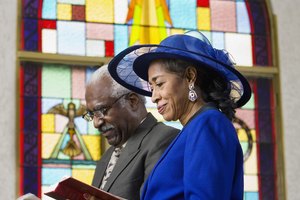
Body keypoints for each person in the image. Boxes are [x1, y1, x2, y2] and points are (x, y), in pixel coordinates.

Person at [108, 31, 252, 199]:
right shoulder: (193, 129)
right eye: (151, 87)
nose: (154, 97)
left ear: (190, 77)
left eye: (160, 84)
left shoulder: (209, 123)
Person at [83, 65, 179, 200]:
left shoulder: (165, 140)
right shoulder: (107, 157)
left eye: (101, 110)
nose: (96, 123)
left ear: (132, 102)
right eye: (91, 114)